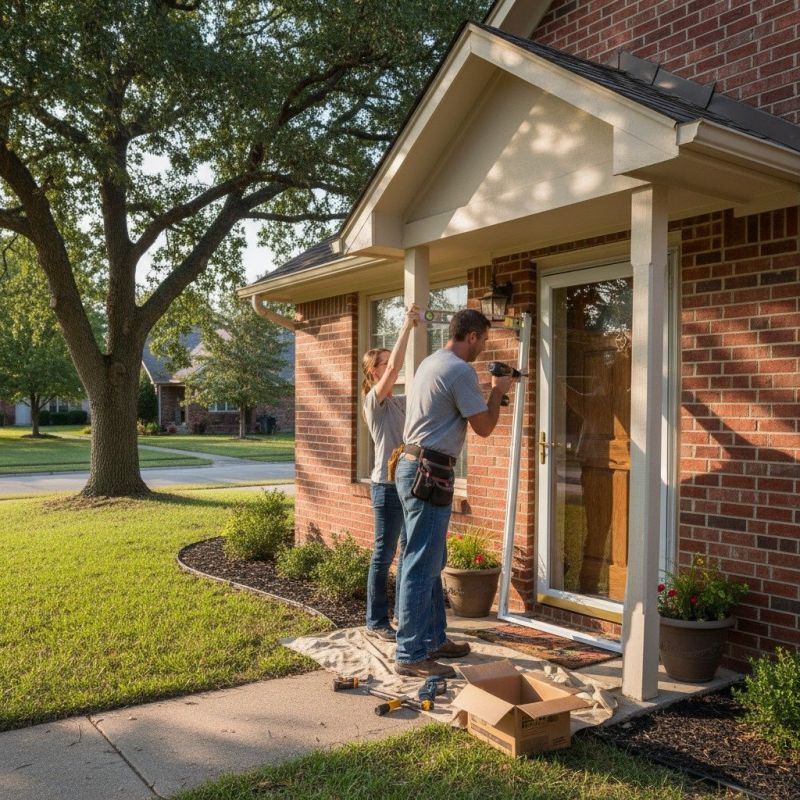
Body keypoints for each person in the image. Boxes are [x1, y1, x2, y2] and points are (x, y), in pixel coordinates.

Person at [393, 308, 514, 678]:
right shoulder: (461, 370)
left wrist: (489, 396)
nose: (483, 349)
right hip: (429, 473)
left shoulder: (432, 361)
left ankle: (432, 640)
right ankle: (411, 654)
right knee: (420, 563)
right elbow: (484, 427)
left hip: (410, 466)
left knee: (429, 559)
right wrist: (497, 392)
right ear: (473, 336)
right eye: (484, 340)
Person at [361, 303, 419, 641]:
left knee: (410, 553)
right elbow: (397, 366)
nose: (392, 368)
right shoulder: (374, 401)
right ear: (374, 373)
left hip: (408, 483)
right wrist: (408, 325)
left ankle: (403, 616)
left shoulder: (401, 400)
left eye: (389, 363)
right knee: (384, 555)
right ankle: (376, 621)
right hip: (386, 486)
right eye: (384, 364)